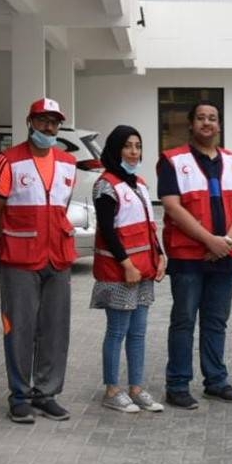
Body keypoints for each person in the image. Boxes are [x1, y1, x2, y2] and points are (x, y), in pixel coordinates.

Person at [0, 97, 78, 423]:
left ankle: (46, 393)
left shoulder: (68, 162)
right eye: (42, 120)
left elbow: (60, 209)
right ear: (30, 122)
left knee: (55, 329)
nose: (48, 126)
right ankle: (20, 395)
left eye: (54, 121)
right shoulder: (7, 161)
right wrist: (9, 246)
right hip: (20, 261)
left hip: (58, 257)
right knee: (20, 328)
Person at [158, 100, 232, 409]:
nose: (207, 123)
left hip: (225, 255)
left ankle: (216, 381)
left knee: (216, 321)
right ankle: (177, 384)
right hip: (188, 257)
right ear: (191, 124)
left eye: (212, 118)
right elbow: (172, 206)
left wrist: (226, 241)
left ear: (219, 125)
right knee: (183, 320)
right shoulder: (172, 161)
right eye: (201, 118)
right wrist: (210, 241)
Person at [91, 126, 167, 413]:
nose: (134, 152)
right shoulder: (105, 185)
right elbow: (108, 231)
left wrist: (160, 255)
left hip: (143, 271)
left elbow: (148, 226)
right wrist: (126, 264)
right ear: (115, 149)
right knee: (117, 331)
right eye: (128, 146)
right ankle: (112, 390)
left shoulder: (140, 184)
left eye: (138, 146)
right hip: (119, 271)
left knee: (138, 332)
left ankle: (136, 388)